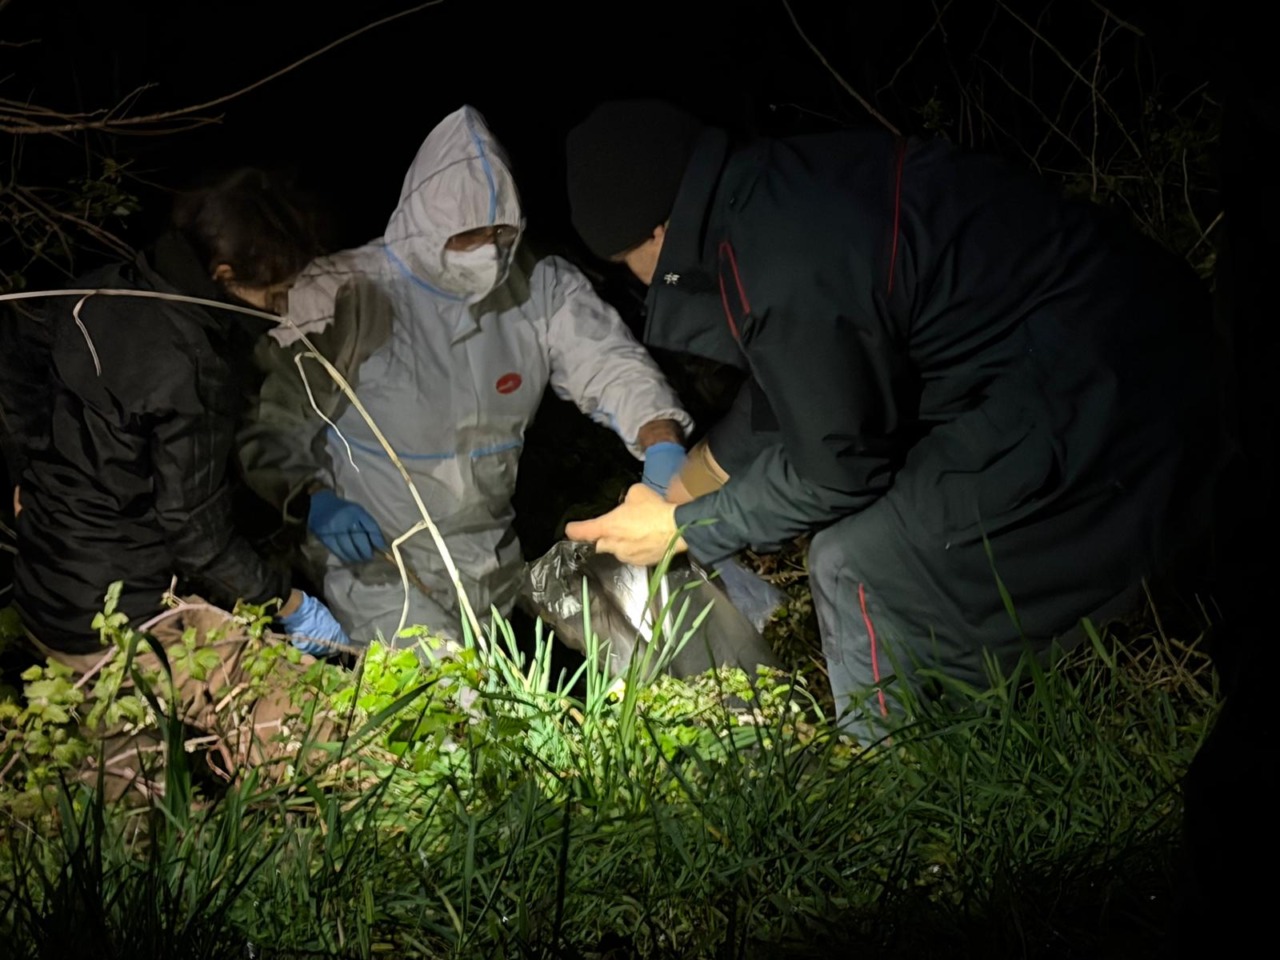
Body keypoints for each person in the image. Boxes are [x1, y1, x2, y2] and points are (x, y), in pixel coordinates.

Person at [561, 99, 1222, 737]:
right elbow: (796, 385)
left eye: (627, 264)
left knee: (854, 562)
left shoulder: (775, 262)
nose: (642, 281)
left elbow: (837, 469)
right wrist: (680, 485)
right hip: (1122, 330)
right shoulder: (767, 192)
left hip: (1108, 380)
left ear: (656, 232)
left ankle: (889, 772)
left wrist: (682, 530)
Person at [237, 105, 694, 650]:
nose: (489, 252)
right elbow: (270, 421)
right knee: (446, 698)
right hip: (379, 563)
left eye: (501, 234)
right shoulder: (343, 292)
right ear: (426, 224)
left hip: (488, 556)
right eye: (468, 235)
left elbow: (611, 363)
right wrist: (310, 497)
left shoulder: (538, 286)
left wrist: (660, 440)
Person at [0, 167, 351, 658]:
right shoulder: (194, 364)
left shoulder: (107, 289)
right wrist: (290, 602)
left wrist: (26, 473)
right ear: (224, 275)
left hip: (41, 586)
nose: (282, 306)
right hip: (117, 622)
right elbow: (196, 532)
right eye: (274, 294)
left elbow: (15, 354)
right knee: (295, 700)